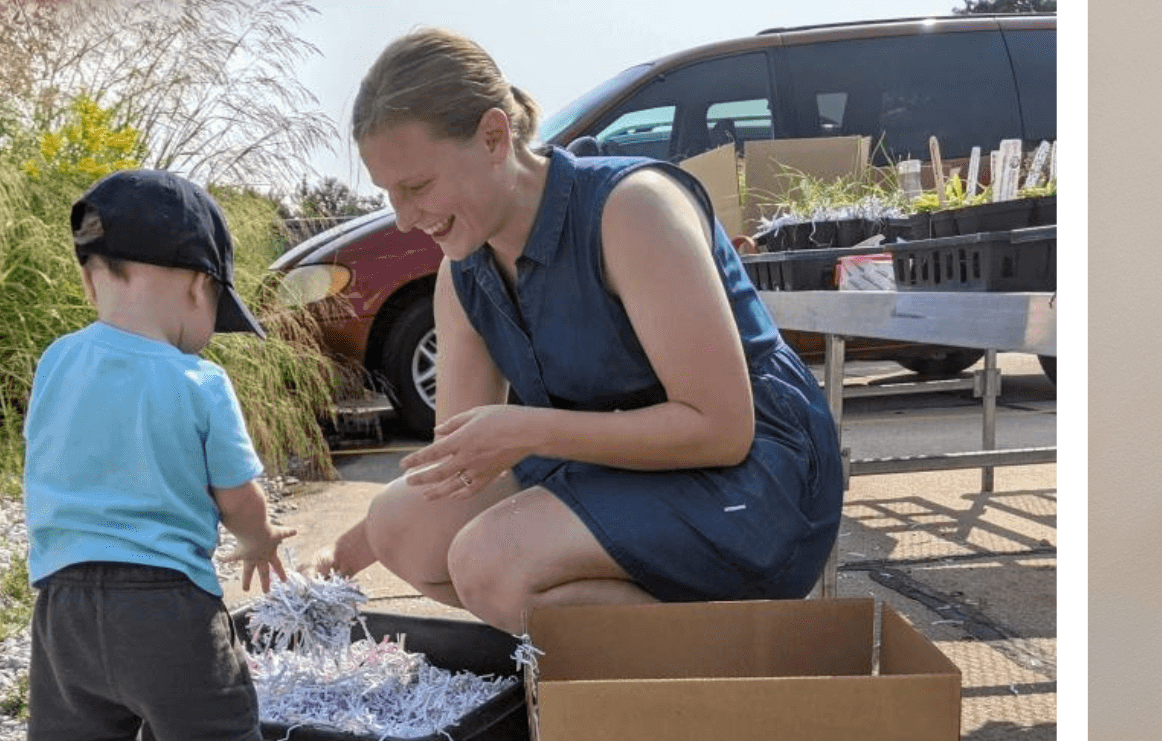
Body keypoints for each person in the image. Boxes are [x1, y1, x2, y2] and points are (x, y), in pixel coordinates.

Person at [308, 29, 843, 633]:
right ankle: (618, 642)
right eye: (388, 194)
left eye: (417, 187)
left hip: (751, 480)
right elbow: (455, 467)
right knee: (402, 527)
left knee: (490, 564)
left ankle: (739, 658)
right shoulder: (463, 273)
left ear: (493, 137)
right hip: (620, 469)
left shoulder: (632, 209)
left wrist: (530, 430)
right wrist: (342, 556)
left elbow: (722, 430)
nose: (404, 220)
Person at [25, 169, 309, 741]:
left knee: (96, 728)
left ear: (93, 282)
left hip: (60, 595)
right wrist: (258, 540)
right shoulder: (198, 382)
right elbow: (236, 495)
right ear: (197, 287)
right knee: (211, 730)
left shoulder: (55, 362)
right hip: (164, 598)